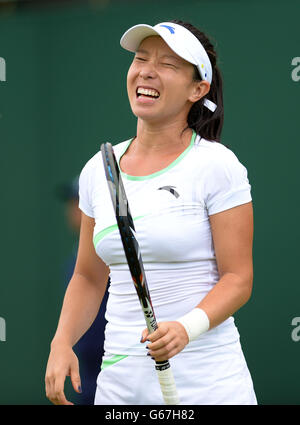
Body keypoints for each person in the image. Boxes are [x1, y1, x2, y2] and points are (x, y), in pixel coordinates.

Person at [45, 20, 257, 405]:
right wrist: (62, 341)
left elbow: (238, 278)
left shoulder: (217, 166)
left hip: (209, 383)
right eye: (141, 59)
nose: (146, 70)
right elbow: (88, 277)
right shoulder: (100, 168)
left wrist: (186, 328)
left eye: (168, 65)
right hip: (119, 387)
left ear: (198, 89)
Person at [54, 176, 109, 404]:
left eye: (78, 202)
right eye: (72, 203)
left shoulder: (111, 254)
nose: (73, 210)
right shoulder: (78, 256)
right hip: (86, 368)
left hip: (116, 363)